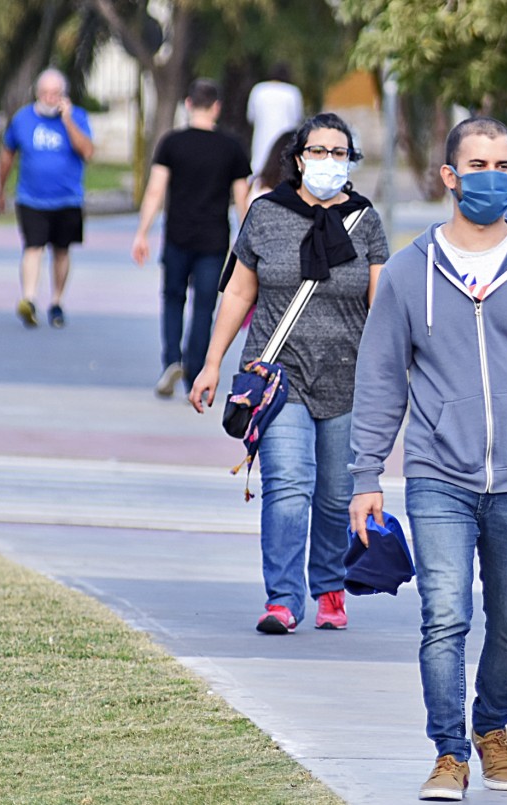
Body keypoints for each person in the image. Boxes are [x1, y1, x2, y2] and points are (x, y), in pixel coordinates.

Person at [348, 116, 507, 801]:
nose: (494, 176)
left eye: (505, 165)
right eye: (479, 164)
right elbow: (379, 378)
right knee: (444, 615)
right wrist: (366, 476)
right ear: (449, 176)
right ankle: (449, 750)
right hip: (438, 476)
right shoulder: (409, 271)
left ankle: (492, 724)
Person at [188, 113, 389, 635]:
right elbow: (238, 292)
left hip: (348, 378)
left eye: (338, 153)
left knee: (333, 494)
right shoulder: (265, 214)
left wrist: (398, 378)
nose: (327, 161)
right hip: (279, 378)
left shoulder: (365, 220)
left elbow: (384, 307)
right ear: (298, 159)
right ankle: (283, 598)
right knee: (288, 485)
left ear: (350, 162)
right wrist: (211, 364)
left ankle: (328, 589)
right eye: (317, 152)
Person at [132, 79, 251, 397]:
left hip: (176, 236)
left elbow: (156, 190)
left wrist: (142, 232)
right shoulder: (232, 147)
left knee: (172, 299)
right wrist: (248, 241)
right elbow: (242, 200)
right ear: (216, 107)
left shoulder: (172, 143)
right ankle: (194, 371)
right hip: (213, 240)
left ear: (187, 104)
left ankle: (171, 360)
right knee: (204, 307)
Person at [0, 68, 95, 329]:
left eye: (56, 93)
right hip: (31, 198)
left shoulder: (78, 117)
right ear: (37, 94)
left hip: (68, 199)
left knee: (61, 251)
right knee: (33, 247)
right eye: (46, 93)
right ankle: (29, 299)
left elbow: (87, 151)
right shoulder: (22, 119)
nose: (51, 98)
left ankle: (56, 301)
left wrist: (67, 120)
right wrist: (0, 188)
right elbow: (8, 155)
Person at [246, 65, 303, 185]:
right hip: (285, 143)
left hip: (261, 142)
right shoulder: (292, 92)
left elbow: (251, 117)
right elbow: (297, 119)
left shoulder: (258, 90)